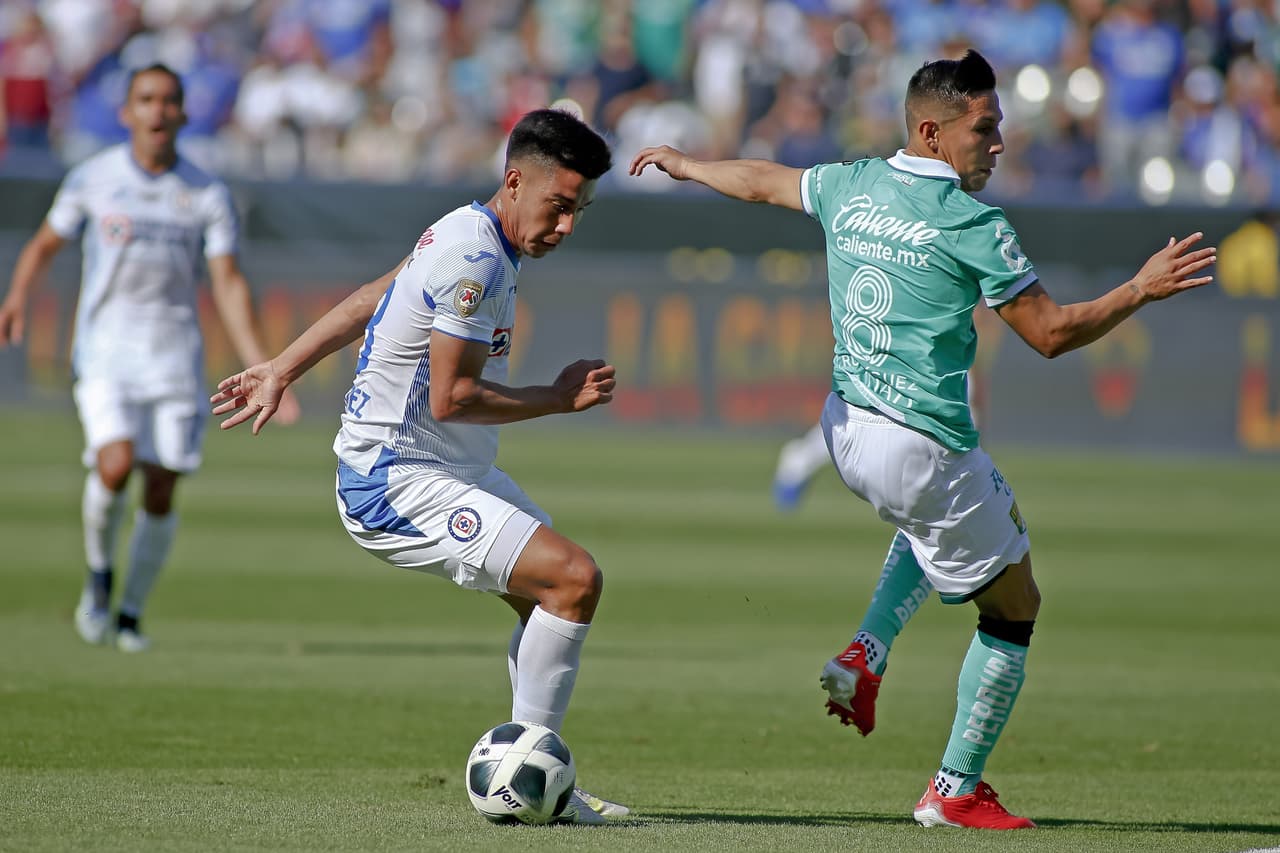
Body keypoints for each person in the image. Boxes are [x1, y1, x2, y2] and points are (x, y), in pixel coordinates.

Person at [630, 49, 1215, 830]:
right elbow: (1049, 333)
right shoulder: (974, 223)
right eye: (986, 128)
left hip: (845, 432)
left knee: (931, 524)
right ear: (934, 132)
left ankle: (867, 651)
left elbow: (765, 180)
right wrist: (1139, 287)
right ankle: (955, 788)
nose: (999, 142)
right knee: (1014, 605)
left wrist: (688, 164)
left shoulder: (852, 183)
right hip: (922, 446)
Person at [209, 108, 627, 825]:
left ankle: (537, 782)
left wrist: (282, 366)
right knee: (573, 577)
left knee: (547, 602)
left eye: (579, 211)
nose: (565, 226)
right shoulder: (476, 255)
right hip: (394, 478)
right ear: (515, 182)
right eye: (559, 206)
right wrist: (556, 398)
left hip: (441, 467)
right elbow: (453, 394)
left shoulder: (466, 228)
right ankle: (534, 787)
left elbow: (377, 297)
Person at [0, 63, 299, 653]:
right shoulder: (94, 178)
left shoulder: (206, 193)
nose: (158, 110)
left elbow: (229, 282)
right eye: (146, 99)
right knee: (113, 466)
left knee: (161, 487)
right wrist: (16, 297)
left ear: (184, 114)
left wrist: (265, 364)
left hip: (174, 356)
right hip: (106, 350)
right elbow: (44, 243)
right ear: (126, 113)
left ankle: (130, 612)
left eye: (168, 100)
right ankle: (98, 579)